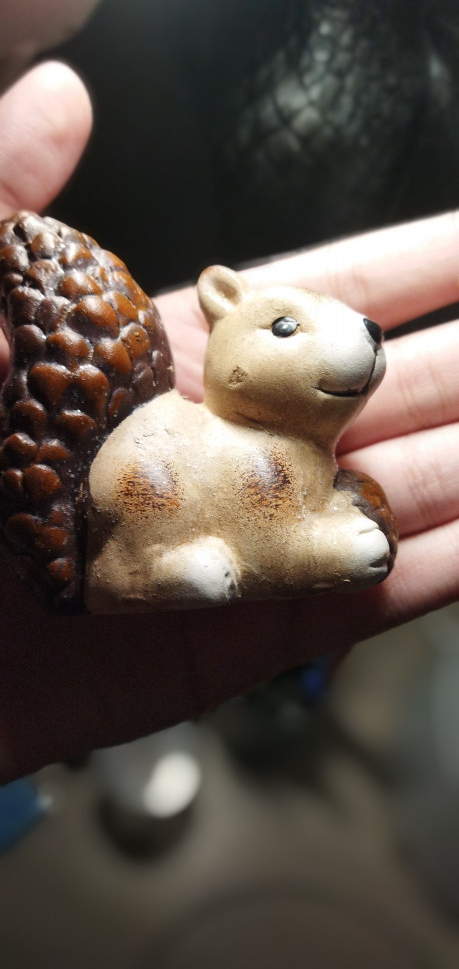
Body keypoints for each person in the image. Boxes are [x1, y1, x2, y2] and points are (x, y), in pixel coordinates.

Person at [0, 62, 458, 784]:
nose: (363, 338)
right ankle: (130, 571)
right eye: (285, 330)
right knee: (180, 526)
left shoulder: (296, 456)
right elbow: (273, 548)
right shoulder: (256, 457)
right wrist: (327, 553)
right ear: (224, 323)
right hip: (142, 490)